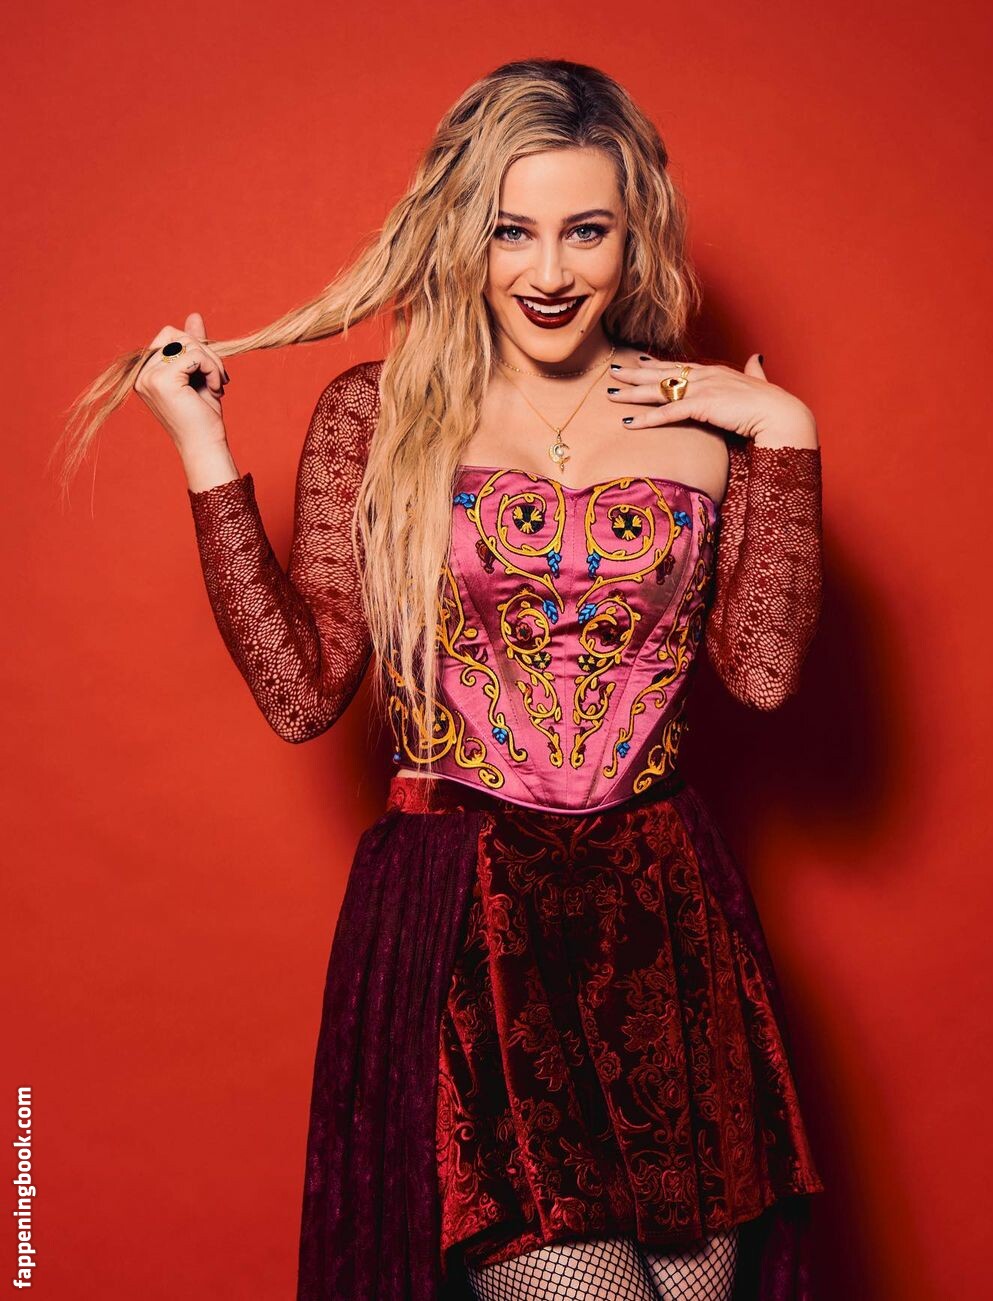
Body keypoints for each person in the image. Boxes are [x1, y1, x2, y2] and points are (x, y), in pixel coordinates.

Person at [56, 57, 825, 1301]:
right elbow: (303, 692)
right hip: (474, 924)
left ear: (636, 235)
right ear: (461, 230)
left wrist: (785, 432)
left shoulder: (709, 419)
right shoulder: (380, 415)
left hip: (665, 929)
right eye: (512, 231)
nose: (549, 270)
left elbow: (767, 674)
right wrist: (203, 450)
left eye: (586, 230)